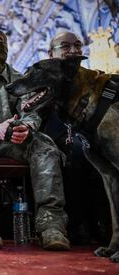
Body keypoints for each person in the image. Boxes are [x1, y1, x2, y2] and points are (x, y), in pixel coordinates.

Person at [0, 28, 70, 250]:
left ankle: (51, 226)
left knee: (45, 146)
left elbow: (31, 111)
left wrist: (26, 127)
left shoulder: (20, 79)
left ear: (7, 47)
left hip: (14, 139)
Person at [46, 31, 109, 244]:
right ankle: (79, 224)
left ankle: (105, 225)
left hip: (92, 134)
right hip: (55, 134)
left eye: (78, 45)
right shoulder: (45, 78)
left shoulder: (93, 78)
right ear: (51, 53)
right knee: (77, 154)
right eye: (65, 46)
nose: (73, 50)